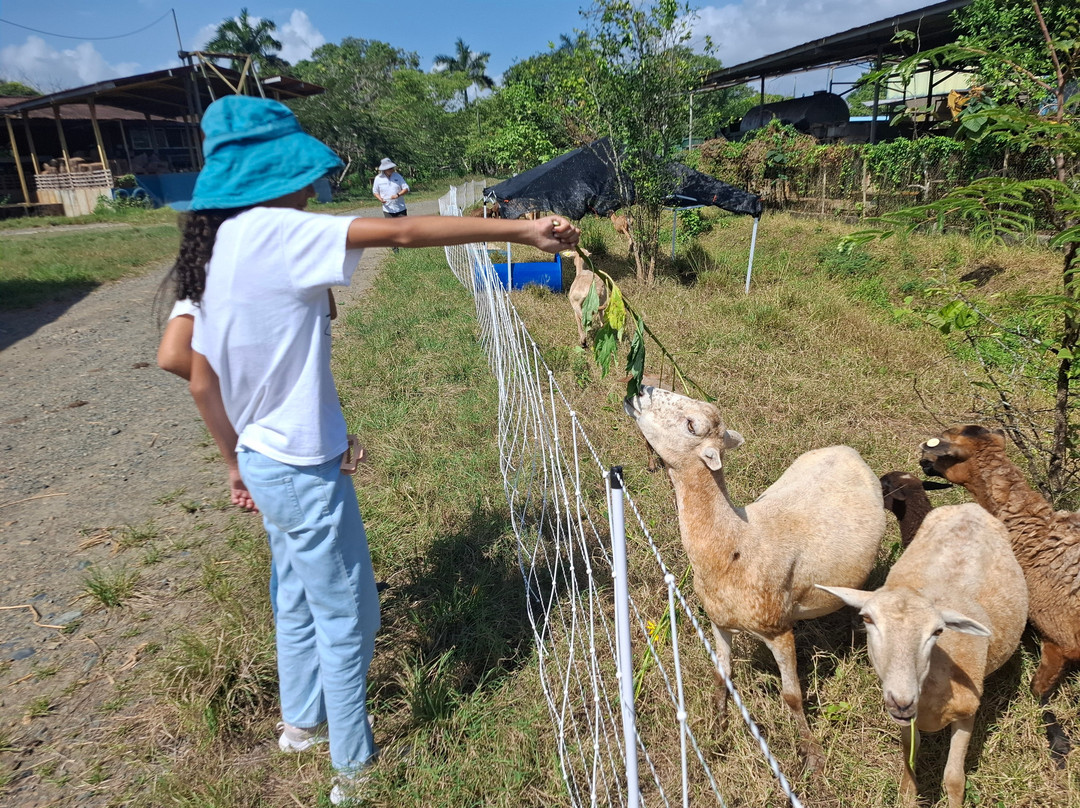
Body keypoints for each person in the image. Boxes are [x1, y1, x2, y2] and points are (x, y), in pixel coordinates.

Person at [166, 94, 578, 806]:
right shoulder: (275, 232)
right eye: (304, 172)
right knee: (350, 613)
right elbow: (402, 234)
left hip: (268, 458)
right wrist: (522, 227)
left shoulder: (222, 246)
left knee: (294, 595)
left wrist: (237, 457)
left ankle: (300, 725)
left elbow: (204, 373)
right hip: (300, 469)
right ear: (278, 174)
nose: (313, 186)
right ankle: (354, 768)